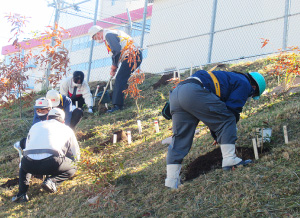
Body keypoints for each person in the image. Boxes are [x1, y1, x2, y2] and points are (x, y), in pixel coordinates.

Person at [165, 70, 266, 189]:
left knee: (180, 139)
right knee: (229, 118)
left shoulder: (231, 78)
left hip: (177, 93)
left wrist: (218, 135)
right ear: (254, 87)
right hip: (193, 92)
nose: (249, 97)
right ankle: (230, 159)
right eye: (253, 95)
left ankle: (172, 181)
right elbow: (231, 111)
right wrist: (220, 134)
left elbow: (215, 116)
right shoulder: (245, 84)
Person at [12, 108, 80, 203]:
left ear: (47, 117)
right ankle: (52, 181)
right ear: (63, 121)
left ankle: (21, 194)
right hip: (51, 163)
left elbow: (28, 144)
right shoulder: (66, 129)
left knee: (24, 165)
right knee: (73, 166)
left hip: (28, 164)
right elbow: (75, 152)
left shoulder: (35, 126)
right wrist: (77, 162)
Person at [88, 25, 143, 113]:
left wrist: (114, 65)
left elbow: (117, 50)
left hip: (132, 55)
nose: (96, 40)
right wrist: (114, 67)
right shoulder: (110, 34)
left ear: (98, 33)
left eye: (95, 38)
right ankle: (118, 102)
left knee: (120, 78)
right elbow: (116, 53)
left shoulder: (108, 35)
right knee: (121, 78)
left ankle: (117, 106)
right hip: (132, 55)